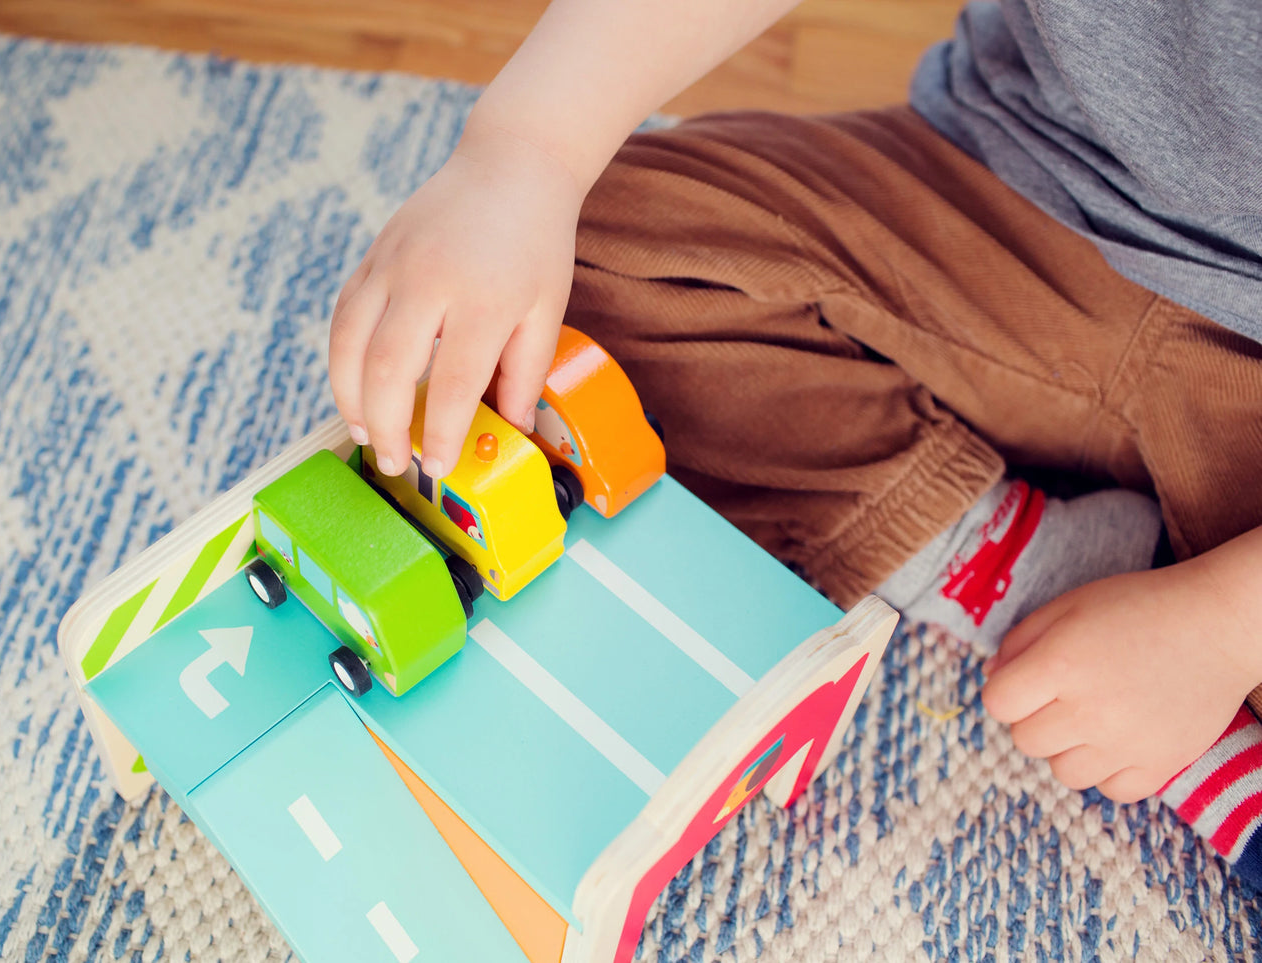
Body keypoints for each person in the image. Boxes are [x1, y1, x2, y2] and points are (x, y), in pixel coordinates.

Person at [326, 0, 1262, 883]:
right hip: (1010, 180)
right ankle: (1012, 556)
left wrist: (1221, 626)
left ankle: (1161, 651)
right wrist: (524, 153)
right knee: (566, 279)